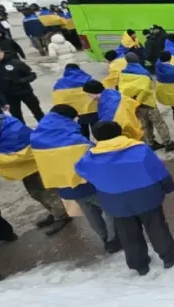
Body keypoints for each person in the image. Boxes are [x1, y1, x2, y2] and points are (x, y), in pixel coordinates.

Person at [76, 121, 174, 275]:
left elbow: (81, 171)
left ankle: (139, 264)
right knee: (156, 226)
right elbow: (158, 170)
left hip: (115, 201)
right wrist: (168, 186)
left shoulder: (90, 158)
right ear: (120, 132)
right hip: (146, 197)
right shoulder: (140, 149)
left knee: (127, 233)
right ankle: (169, 255)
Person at [30, 105, 120, 252]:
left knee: (90, 212)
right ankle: (114, 239)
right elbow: (96, 158)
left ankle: (104, 238)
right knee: (109, 208)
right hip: (88, 184)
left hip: (65, 187)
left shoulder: (36, 138)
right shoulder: (77, 141)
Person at [0, 113, 72, 235]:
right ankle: (55, 212)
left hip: (35, 166)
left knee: (47, 192)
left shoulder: (13, 133)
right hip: (27, 169)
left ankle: (63, 216)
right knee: (36, 193)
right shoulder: (2, 123)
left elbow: (20, 156)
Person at [119, 53, 174, 151]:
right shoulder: (143, 73)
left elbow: (122, 89)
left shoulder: (123, 73)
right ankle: (168, 144)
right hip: (147, 103)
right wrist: (140, 100)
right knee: (159, 123)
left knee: (145, 124)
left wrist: (134, 102)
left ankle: (151, 143)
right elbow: (145, 89)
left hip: (134, 103)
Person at [0, 47, 44, 124]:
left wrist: (21, 81)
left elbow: (32, 75)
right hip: (9, 96)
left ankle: (45, 127)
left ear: (2, 53)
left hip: (24, 92)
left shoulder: (16, 62)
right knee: (16, 116)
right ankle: (23, 132)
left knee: (37, 111)